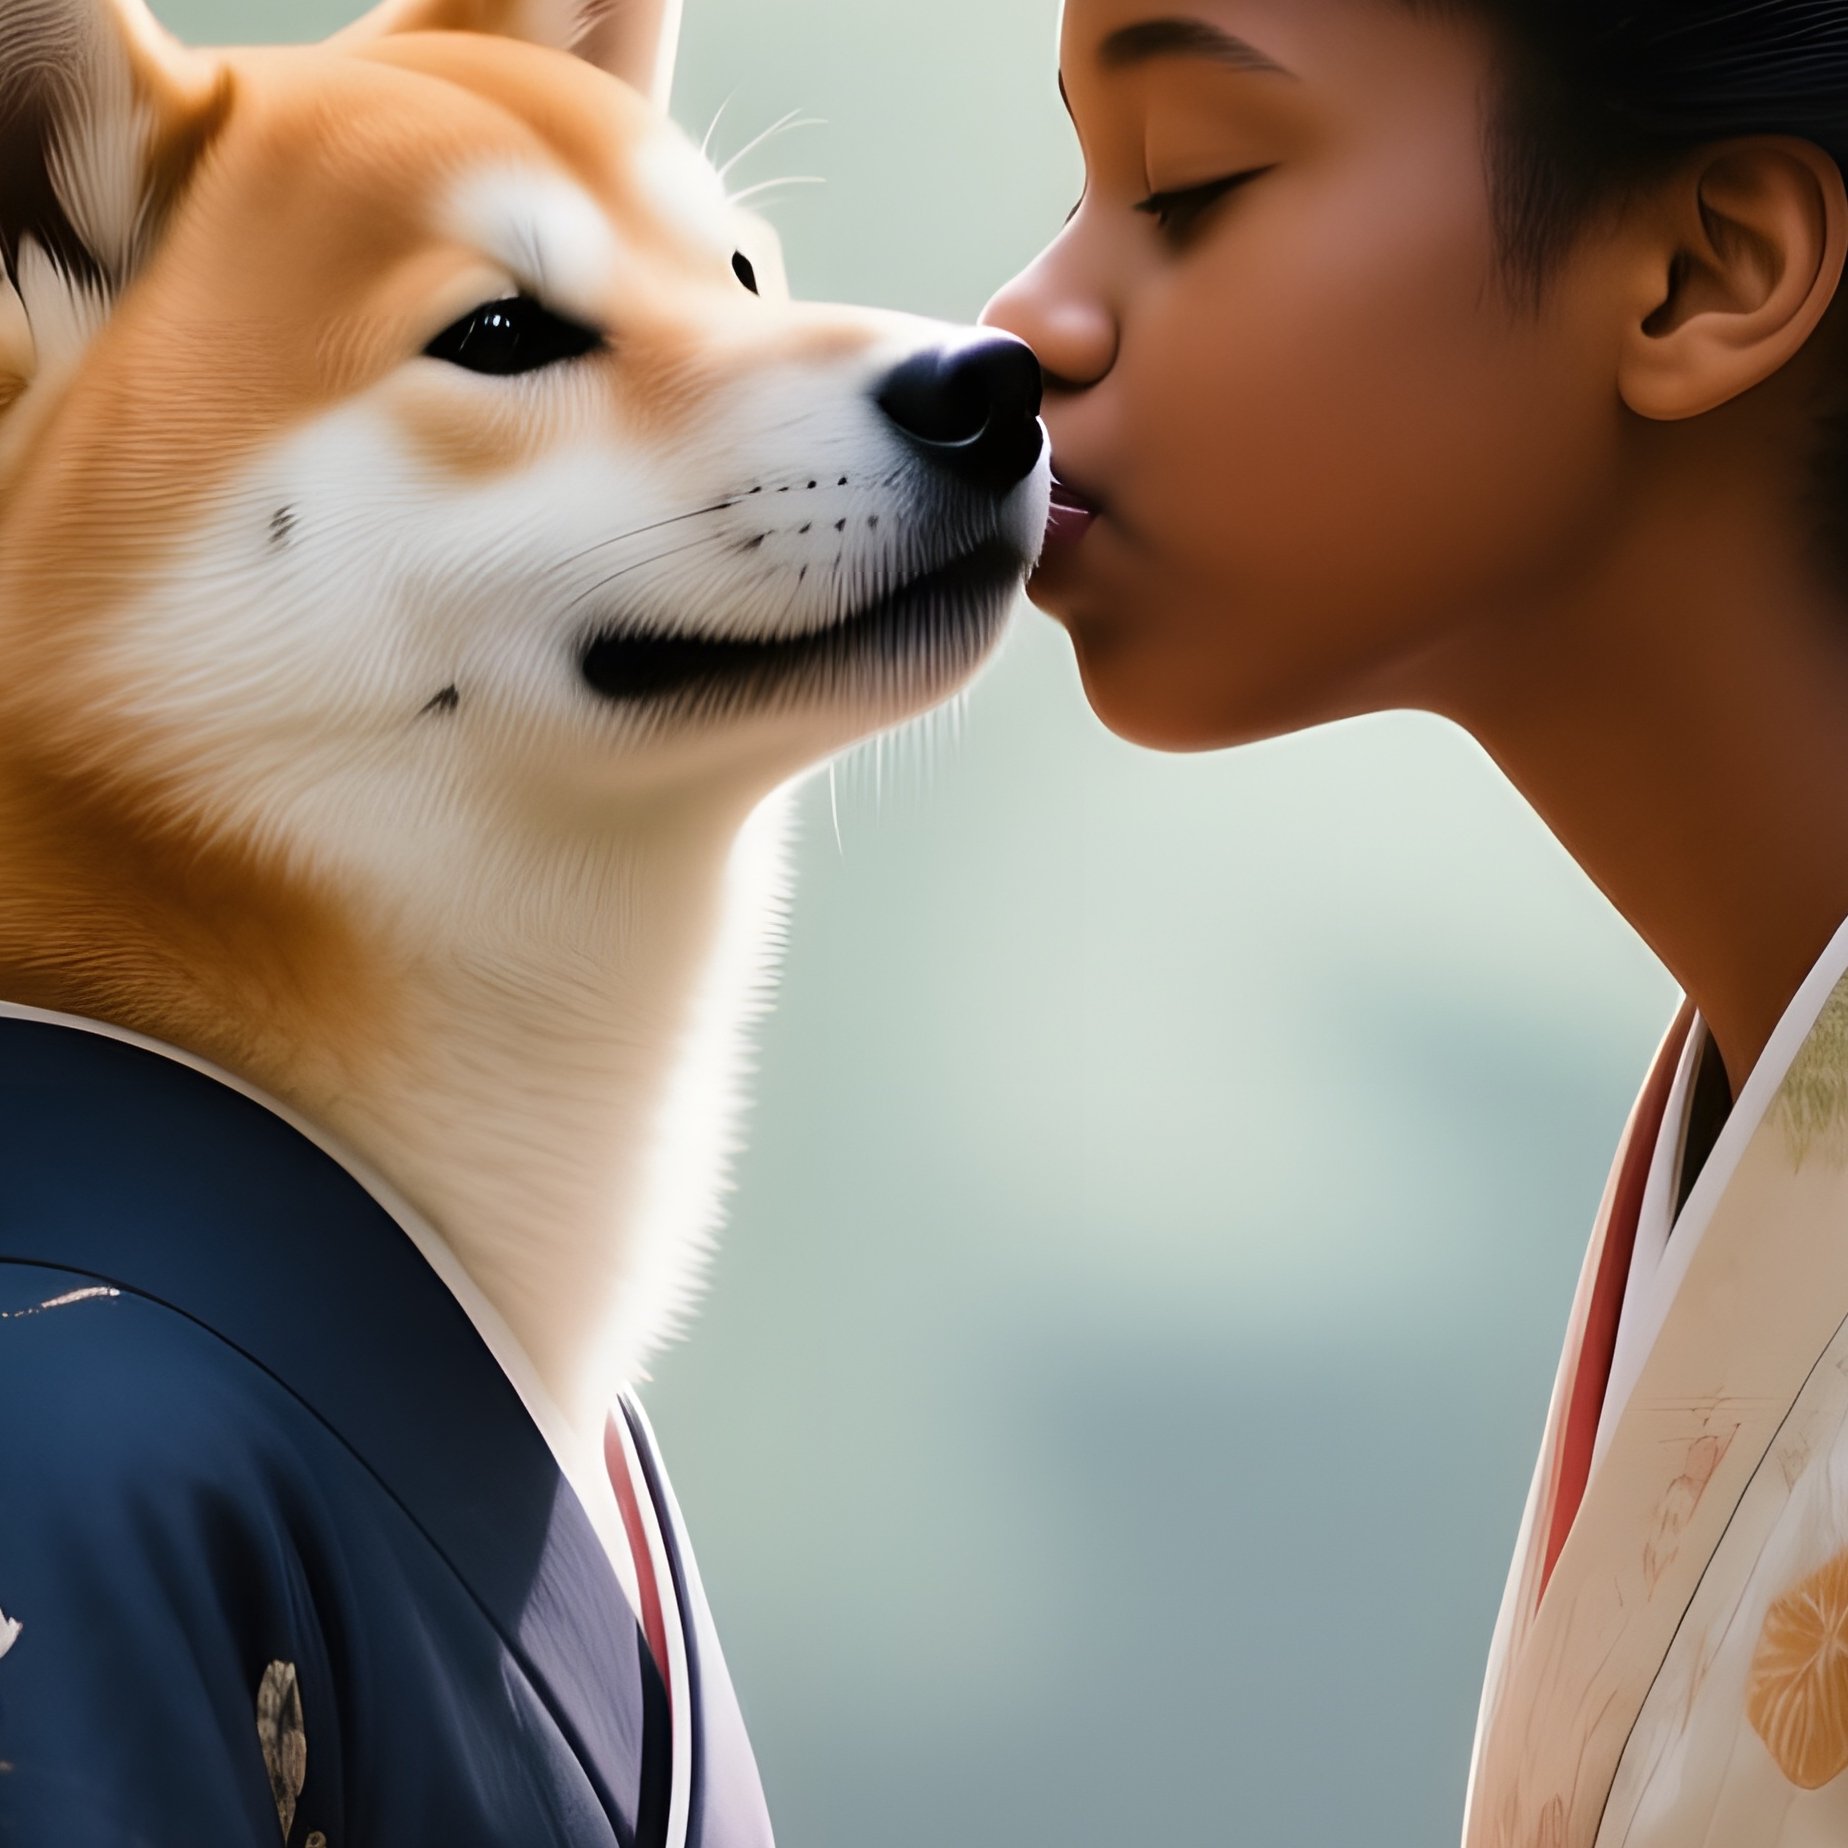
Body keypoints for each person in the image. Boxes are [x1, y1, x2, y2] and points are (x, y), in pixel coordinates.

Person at [982, 2, 1848, 1842]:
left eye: (1191, 184)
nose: (1027, 317)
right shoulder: (1744, 1097)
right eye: (1084, 181)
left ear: (1702, 273)